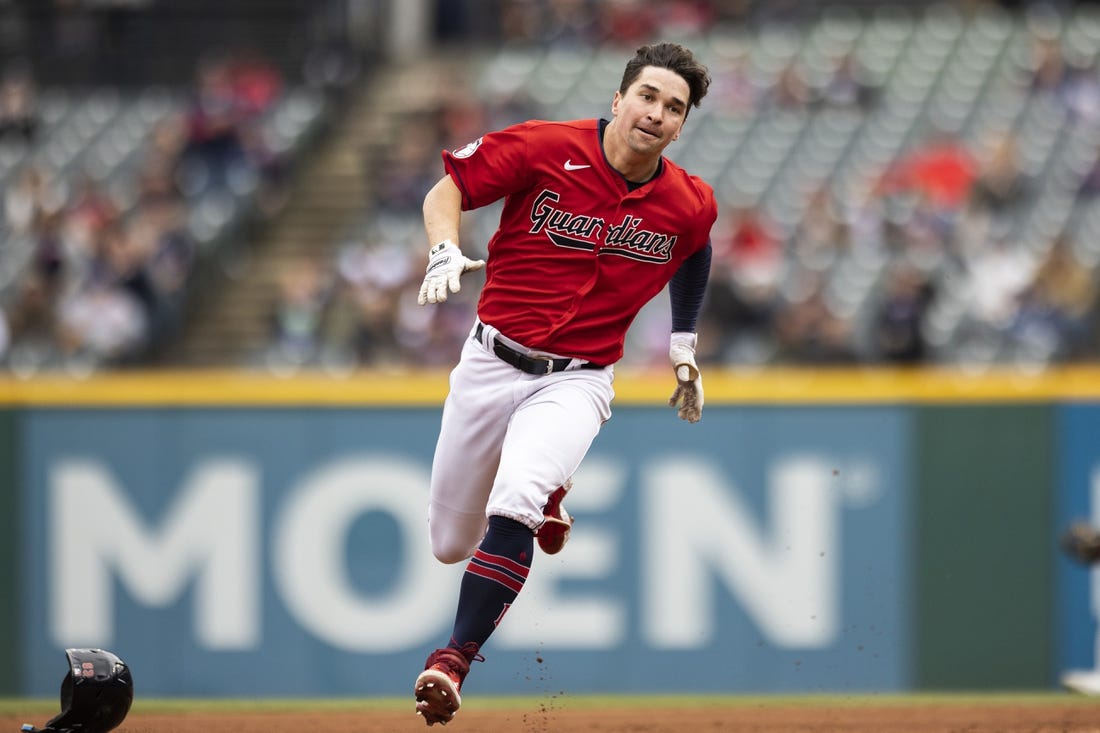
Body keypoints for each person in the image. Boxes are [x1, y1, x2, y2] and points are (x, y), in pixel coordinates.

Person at [411, 42, 716, 726]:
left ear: (681, 124)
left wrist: (684, 343)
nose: (657, 113)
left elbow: (695, 251)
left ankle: (453, 658)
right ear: (618, 99)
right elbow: (449, 188)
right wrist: (442, 246)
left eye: (674, 107)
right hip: (491, 361)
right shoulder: (545, 147)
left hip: (578, 378)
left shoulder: (689, 200)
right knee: (448, 543)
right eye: (648, 96)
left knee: (513, 501)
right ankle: (549, 487)